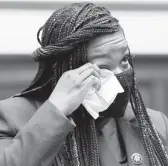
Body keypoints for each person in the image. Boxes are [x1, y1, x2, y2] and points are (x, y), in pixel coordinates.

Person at [0, 2, 168, 166]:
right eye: (103, 67)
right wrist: (56, 110)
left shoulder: (155, 123)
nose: (119, 75)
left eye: (124, 60)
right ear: (64, 71)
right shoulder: (11, 117)